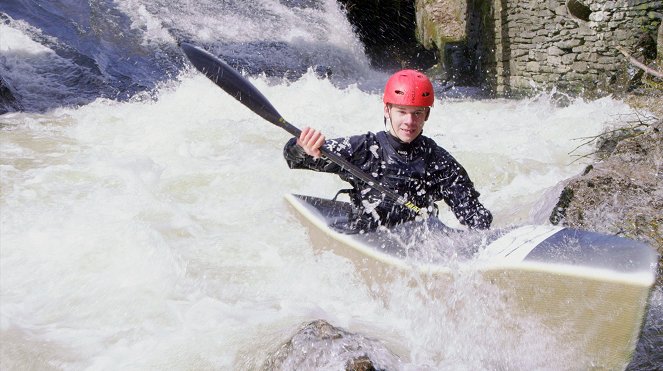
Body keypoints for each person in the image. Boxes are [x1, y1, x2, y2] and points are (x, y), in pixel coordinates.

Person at [283, 69, 492, 233]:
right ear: (387, 110)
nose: (409, 121)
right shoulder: (365, 149)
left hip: (418, 241)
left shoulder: (438, 161)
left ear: (427, 115)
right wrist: (302, 146)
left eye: (417, 113)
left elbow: (474, 214)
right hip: (367, 235)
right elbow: (294, 159)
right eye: (402, 111)